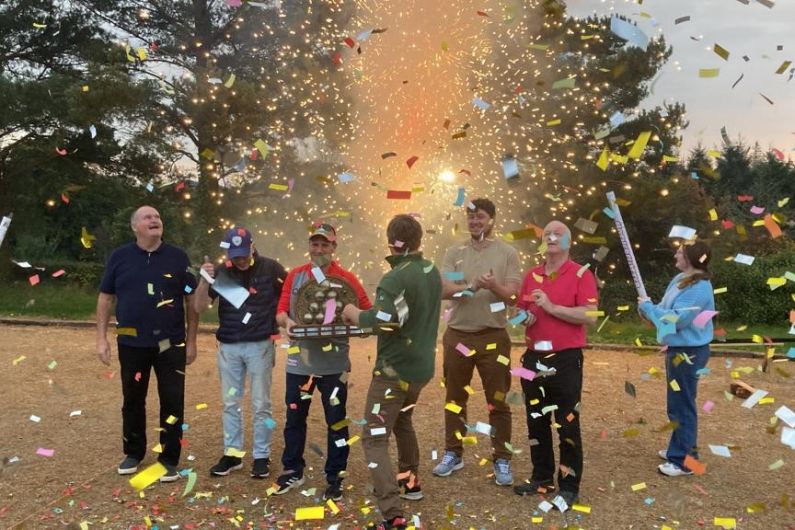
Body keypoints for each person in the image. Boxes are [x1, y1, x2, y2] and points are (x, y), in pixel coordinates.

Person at [342, 214, 442, 530]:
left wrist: (354, 313)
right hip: (420, 371)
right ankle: (410, 484)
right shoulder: (430, 270)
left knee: (373, 438)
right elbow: (405, 312)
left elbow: (384, 321)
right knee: (403, 420)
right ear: (419, 240)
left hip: (392, 371)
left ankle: (392, 513)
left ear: (390, 241)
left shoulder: (395, 278)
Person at [96, 205, 198, 483]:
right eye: (147, 217)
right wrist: (101, 338)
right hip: (131, 342)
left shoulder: (178, 258)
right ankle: (133, 452)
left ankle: (169, 458)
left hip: (171, 343)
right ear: (135, 227)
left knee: (173, 401)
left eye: (157, 216)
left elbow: (192, 299)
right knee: (132, 399)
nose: (155, 220)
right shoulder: (120, 257)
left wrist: (191, 341)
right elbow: (106, 298)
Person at [272, 222, 371, 501]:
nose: (319, 249)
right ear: (309, 246)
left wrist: (355, 324)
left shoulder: (347, 278)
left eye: (325, 244)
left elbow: (368, 312)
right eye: (315, 244)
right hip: (298, 363)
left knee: (336, 421)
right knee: (294, 418)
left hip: (334, 365)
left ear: (334, 247)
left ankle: (335, 476)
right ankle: (293, 469)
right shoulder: (295, 276)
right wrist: (288, 322)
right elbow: (280, 312)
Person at [433, 198, 522, 486]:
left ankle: (501, 458)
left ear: (492, 220)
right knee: (455, 398)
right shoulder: (455, 252)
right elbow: (445, 290)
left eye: (480, 216)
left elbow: (513, 296)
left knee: (498, 401)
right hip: (458, 334)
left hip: (493, 336)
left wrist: (492, 285)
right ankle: (453, 453)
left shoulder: (507, 252)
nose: (475, 222)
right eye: (470, 217)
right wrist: (471, 287)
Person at [513, 220, 598, 510]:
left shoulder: (581, 274)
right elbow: (521, 310)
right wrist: (524, 317)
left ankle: (570, 486)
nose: (551, 237)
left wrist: (551, 307)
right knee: (536, 421)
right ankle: (542, 478)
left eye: (557, 234)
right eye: (547, 233)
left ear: (568, 242)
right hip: (533, 358)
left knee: (567, 425)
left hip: (565, 359)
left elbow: (590, 315)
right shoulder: (531, 274)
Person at [193, 227, 287, 479]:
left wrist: (287, 323)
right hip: (229, 347)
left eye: (244, 254)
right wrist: (204, 280)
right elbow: (199, 306)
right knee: (230, 403)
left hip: (260, 346)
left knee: (261, 404)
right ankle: (232, 454)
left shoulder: (272, 269)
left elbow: (287, 299)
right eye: (236, 256)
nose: (241, 260)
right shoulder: (221, 272)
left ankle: (261, 456)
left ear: (253, 247)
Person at [638, 240, 714, 477]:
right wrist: (647, 309)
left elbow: (678, 319)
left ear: (691, 257)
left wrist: (651, 310)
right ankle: (681, 448)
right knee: (677, 404)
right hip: (677, 350)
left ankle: (684, 461)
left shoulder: (700, 286)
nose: (676, 256)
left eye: (680, 253)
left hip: (689, 353)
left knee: (683, 405)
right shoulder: (680, 280)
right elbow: (663, 308)